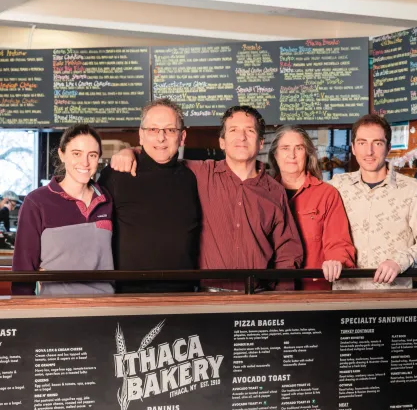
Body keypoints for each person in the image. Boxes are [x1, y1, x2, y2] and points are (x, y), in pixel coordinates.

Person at [111, 103, 303, 290]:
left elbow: (287, 250)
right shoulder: (201, 173)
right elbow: (162, 155)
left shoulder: (275, 191)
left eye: (250, 131)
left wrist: (281, 296)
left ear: (261, 142)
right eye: (233, 130)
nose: (241, 137)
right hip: (209, 298)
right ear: (221, 141)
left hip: (257, 296)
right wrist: (130, 151)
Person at [98, 99, 201, 293]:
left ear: (182, 136)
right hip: (128, 297)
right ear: (141, 135)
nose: (161, 138)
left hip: (184, 297)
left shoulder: (193, 177)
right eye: (153, 130)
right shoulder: (117, 174)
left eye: (170, 130)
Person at [330, 113, 417, 289]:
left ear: (388, 147)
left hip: (393, 297)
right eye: (362, 143)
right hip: (346, 296)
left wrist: (400, 261)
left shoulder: (412, 189)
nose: (369, 151)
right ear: (353, 147)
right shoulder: (336, 187)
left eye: (377, 143)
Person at [12, 124, 114, 296]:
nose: (85, 162)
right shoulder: (36, 202)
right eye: (77, 153)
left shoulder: (107, 200)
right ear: (62, 154)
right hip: (56, 310)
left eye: (92, 155)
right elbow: (23, 267)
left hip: (104, 307)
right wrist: (23, 312)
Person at [268, 125, 355, 290]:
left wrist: (337, 261)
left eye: (298, 148)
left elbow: (338, 243)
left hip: (314, 289)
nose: (292, 155)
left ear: (307, 154)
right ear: (275, 154)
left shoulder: (327, 194)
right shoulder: (263, 194)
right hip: (272, 290)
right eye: (285, 148)